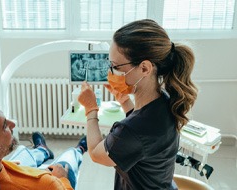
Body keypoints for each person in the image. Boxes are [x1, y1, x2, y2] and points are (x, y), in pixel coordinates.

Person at [78, 19, 198, 189]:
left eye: (115, 66)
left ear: (144, 68)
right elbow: (142, 131)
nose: (111, 72)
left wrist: (90, 109)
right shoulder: (165, 100)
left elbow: (97, 154)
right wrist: (124, 102)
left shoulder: (131, 131)